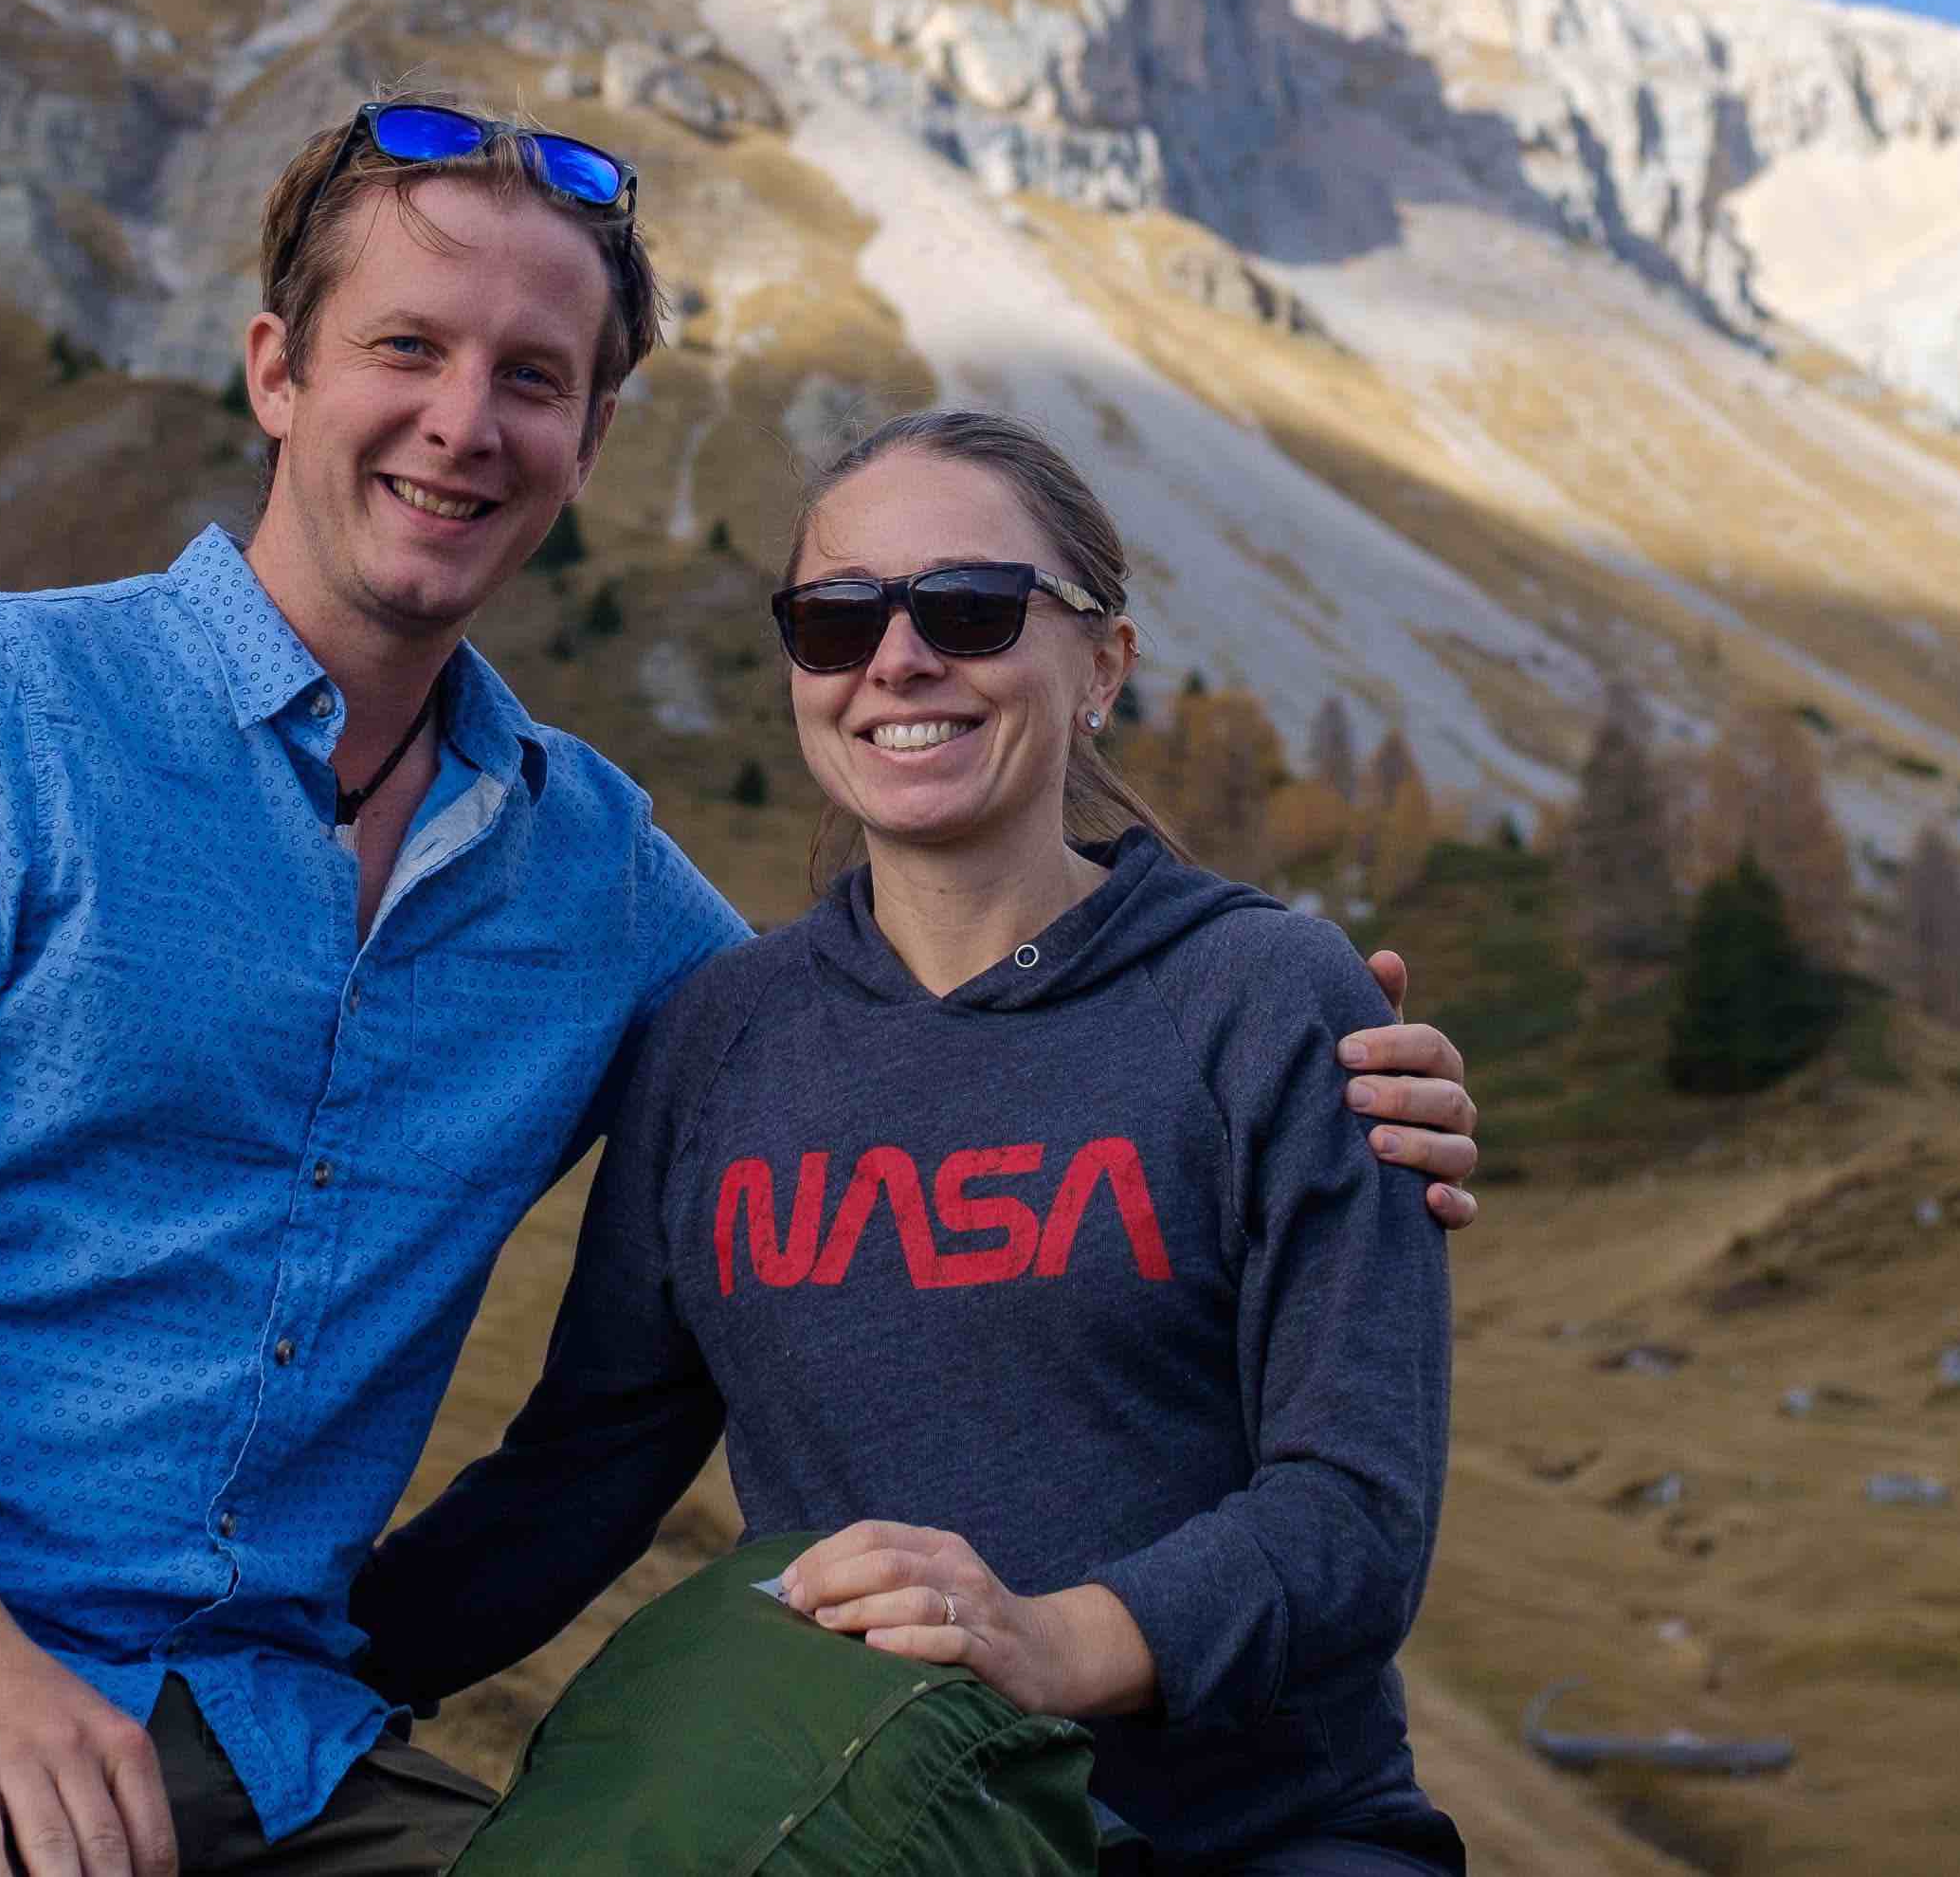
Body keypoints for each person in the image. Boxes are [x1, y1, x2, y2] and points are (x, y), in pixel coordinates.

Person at [0, 104, 1487, 1877]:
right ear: (276, 369)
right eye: (408, 348)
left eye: (532, 380)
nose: (463, 422)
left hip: (272, 1718)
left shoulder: (611, 895)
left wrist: (1344, 1077)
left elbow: (911, 1044)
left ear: (584, 446)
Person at [352, 409, 1460, 1874]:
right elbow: (581, 1475)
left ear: (1101, 667)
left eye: (969, 609)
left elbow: (1354, 1517)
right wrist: (277, 1664)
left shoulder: (1261, 1002)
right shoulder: (718, 1036)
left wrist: (1052, 1641)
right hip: (894, 1830)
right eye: (834, 619)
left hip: (1259, 1837)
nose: (897, 660)